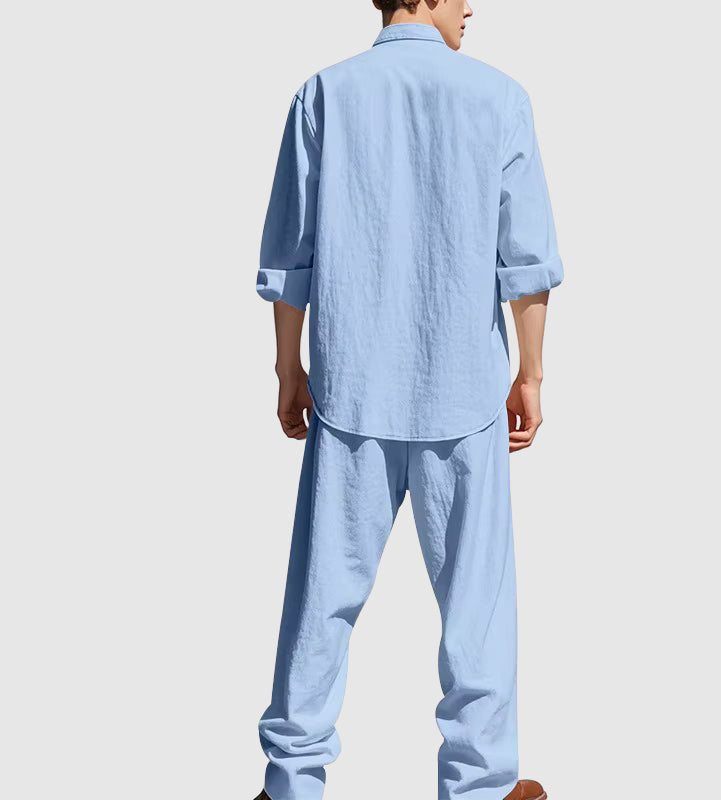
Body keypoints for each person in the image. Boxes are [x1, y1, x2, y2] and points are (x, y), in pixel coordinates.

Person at [253, 0, 563, 798]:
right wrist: (531, 372)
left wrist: (288, 366)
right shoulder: (498, 96)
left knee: (320, 603)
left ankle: (291, 782)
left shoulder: (325, 93)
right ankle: (480, 785)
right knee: (477, 609)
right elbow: (526, 261)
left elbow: (291, 253)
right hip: (463, 396)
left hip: (352, 392)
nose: (471, 6)